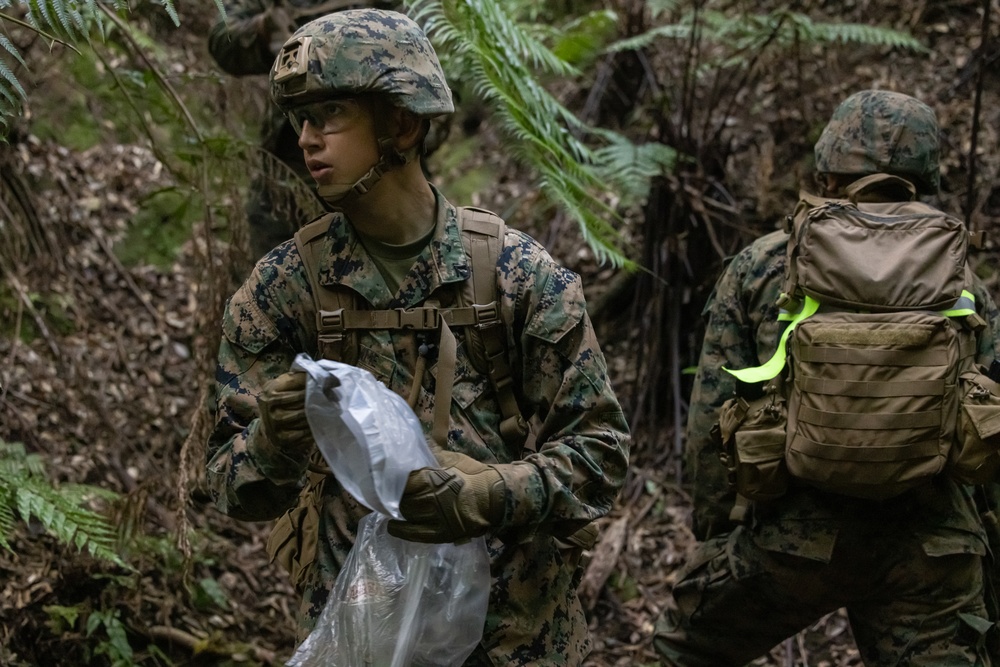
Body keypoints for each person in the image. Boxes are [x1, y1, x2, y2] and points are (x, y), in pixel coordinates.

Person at [204, 9, 631, 665]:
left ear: (401, 124)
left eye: (332, 114)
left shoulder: (516, 277)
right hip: (365, 635)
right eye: (302, 119)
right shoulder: (283, 289)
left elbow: (602, 456)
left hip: (516, 636)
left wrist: (487, 495)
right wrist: (272, 438)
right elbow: (232, 488)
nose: (308, 140)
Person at [653, 89, 1000, 665]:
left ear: (829, 163)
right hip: (930, 547)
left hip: (791, 541)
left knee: (682, 650)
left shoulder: (766, 264)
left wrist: (717, 536)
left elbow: (711, 419)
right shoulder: (965, 281)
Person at [208, 0, 397, 260]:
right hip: (290, 169)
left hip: (379, 165)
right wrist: (264, 28)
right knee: (276, 279)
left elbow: (427, 54)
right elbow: (223, 38)